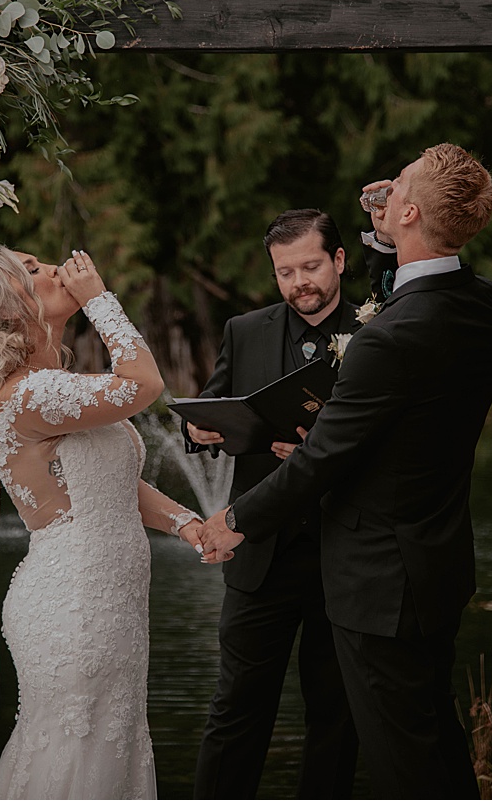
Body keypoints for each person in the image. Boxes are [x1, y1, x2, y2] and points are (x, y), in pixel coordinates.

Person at [199, 144, 492, 798]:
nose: (383, 190)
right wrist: (388, 225)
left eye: (396, 187)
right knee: (438, 746)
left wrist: (235, 520)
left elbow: (323, 458)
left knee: (405, 769)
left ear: (414, 211)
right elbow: (414, 284)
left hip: (378, 584)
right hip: (435, 565)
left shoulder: (387, 338)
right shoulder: (480, 303)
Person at [0, 245, 209, 800]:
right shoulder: (27, 395)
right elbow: (145, 383)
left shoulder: (53, 387)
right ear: (14, 311)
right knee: (68, 760)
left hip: (111, 609)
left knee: (102, 757)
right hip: (74, 610)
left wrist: (188, 525)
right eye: (34, 270)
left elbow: (111, 484)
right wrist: (100, 300)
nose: (54, 268)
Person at [185, 209, 359, 797]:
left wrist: (325, 450)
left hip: (345, 553)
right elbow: (217, 402)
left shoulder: (377, 329)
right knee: (236, 708)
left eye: (310, 266)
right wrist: (201, 430)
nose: (298, 283)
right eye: (285, 272)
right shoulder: (246, 329)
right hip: (260, 553)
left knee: (335, 716)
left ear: (339, 260)